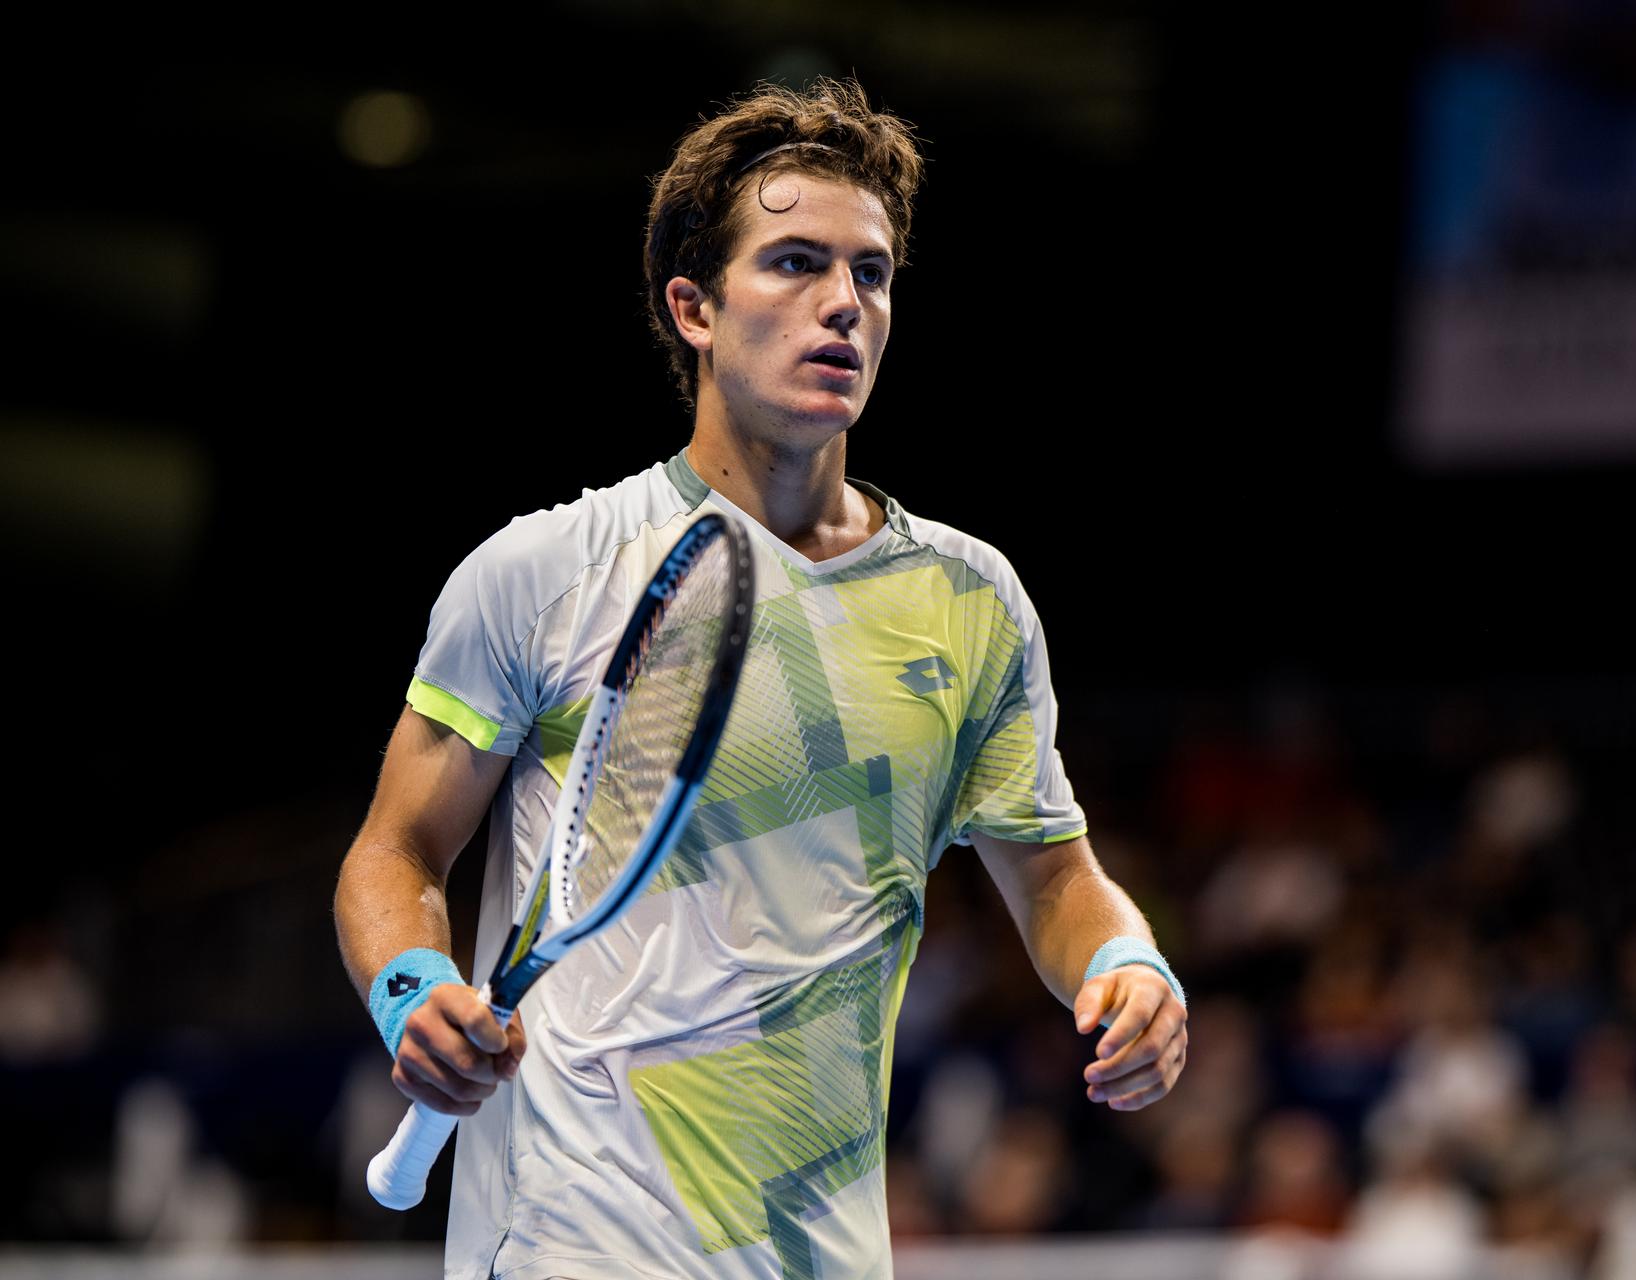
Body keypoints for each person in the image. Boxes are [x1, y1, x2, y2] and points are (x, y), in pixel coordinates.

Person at [332, 76, 1188, 1280]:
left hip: (822, 1250)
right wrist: (411, 987)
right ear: (693, 306)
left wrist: (1126, 962)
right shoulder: (546, 572)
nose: (843, 303)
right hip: (574, 1242)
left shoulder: (972, 601)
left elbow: (1055, 877)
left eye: (872, 273)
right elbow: (394, 853)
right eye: (793, 263)